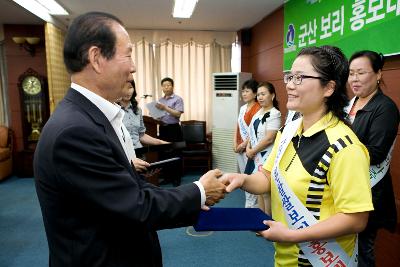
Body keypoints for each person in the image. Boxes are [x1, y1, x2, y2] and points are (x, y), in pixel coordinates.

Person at [33, 12, 226, 267]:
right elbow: (135, 206)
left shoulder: (89, 117)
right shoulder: (74, 131)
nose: (134, 67)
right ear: (97, 59)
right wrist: (199, 192)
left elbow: (127, 189)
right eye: (128, 54)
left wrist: (193, 196)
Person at [221, 46, 374, 267]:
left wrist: (293, 236)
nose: (290, 84)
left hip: (318, 260)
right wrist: (242, 180)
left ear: (329, 88)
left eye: (300, 78)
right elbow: (267, 177)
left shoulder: (345, 146)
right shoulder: (289, 131)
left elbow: (356, 219)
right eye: (290, 76)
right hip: (285, 257)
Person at [347, 50, 399, 267]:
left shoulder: (385, 108)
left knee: (362, 251)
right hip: (347, 188)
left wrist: (334, 152)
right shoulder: (350, 103)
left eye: (361, 72)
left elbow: (376, 153)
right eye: (351, 73)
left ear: (378, 74)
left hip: (369, 192)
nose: (354, 79)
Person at [244, 82, 281, 214]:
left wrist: (252, 151)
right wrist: (248, 148)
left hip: (266, 156)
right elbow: (250, 133)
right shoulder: (258, 111)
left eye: (263, 94)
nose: (260, 97)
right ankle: (261, 220)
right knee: (259, 191)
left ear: (272, 96)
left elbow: (269, 138)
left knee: (265, 192)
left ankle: (268, 221)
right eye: (258, 94)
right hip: (255, 155)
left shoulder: (275, 114)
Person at [233, 79, 261, 208]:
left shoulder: (258, 108)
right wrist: (235, 143)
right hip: (239, 147)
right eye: (243, 91)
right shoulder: (243, 108)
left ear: (255, 94)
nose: (244, 94)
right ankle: (248, 203)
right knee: (243, 176)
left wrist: (243, 145)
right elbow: (238, 126)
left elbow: (254, 131)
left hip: (250, 149)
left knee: (250, 176)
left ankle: (251, 206)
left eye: (247, 91)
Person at [119, 80, 169, 148]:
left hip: (139, 152)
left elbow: (141, 135)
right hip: (123, 154)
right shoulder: (113, 109)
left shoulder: (137, 110)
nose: (128, 91)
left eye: (130, 87)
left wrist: (160, 142)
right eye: (124, 87)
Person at [155, 77, 184, 142]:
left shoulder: (178, 99)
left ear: (173, 86)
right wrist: (155, 114)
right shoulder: (160, 100)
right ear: (162, 87)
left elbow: (178, 114)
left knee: (175, 151)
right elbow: (159, 117)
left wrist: (165, 107)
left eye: (168, 85)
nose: (166, 87)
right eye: (164, 86)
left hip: (174, 129)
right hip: (162, 128)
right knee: (163, 150)